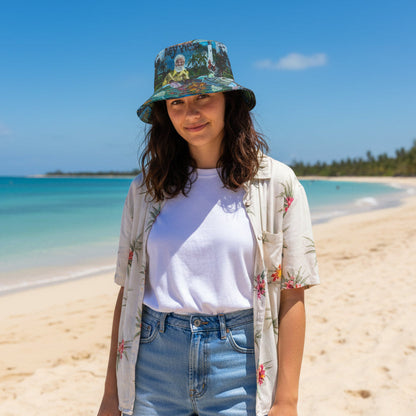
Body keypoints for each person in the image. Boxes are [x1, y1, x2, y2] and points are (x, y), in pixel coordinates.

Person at [97, 39, 319, 416]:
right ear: (165, 113)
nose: (191, 113)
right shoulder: (145, 189)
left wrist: (286, 401)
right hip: (153, 359)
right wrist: (110, 397)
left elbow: (293, 294)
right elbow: (128, 291)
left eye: (203, 97)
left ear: (229, 101)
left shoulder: (276, 184)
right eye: (177, 102)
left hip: (241, 363)